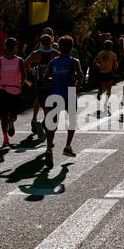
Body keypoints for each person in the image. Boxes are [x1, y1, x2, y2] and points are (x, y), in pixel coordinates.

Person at [43, 35, 83, 168]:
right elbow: (80, 76)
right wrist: (77, 85)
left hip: (55, 93)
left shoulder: (53, 62)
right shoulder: (74, 61)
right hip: (70, 93)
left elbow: (45, 78)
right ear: (72, 47)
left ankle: (49, 148)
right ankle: (67, 146)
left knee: (52, 123)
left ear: (58, 47)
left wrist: (54, 81)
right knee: (71, 121)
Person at [23, 34, 59, 141]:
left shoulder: (36, 53)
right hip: (53, 85)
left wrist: (32, 71)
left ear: (40, 43)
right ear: (52, 41)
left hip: (40, 85)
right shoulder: (55, 54)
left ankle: (42, 126)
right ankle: (45, 132)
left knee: (46, 109)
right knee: (53, 113)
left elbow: (24, 64)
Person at [0, 37, 25, 147]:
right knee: (14, 115)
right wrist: (21, 83)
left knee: (3, 116)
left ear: (5, 47)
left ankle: (5, 138)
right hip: (15, 90)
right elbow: (24, 76)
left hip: (3, 90)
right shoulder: (19, 60)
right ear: (15, 47)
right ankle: (11, 121)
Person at [93, 39, 118, 113]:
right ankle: (105, 102)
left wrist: (99, 67)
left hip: (101, 73)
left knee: (103, 87)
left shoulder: (100, 54)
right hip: (109, 73)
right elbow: (115, 66)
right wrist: (116, 67)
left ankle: (100, 93)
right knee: (109, 89)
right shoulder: (113, 55)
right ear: (111, 46)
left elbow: (94, 63)